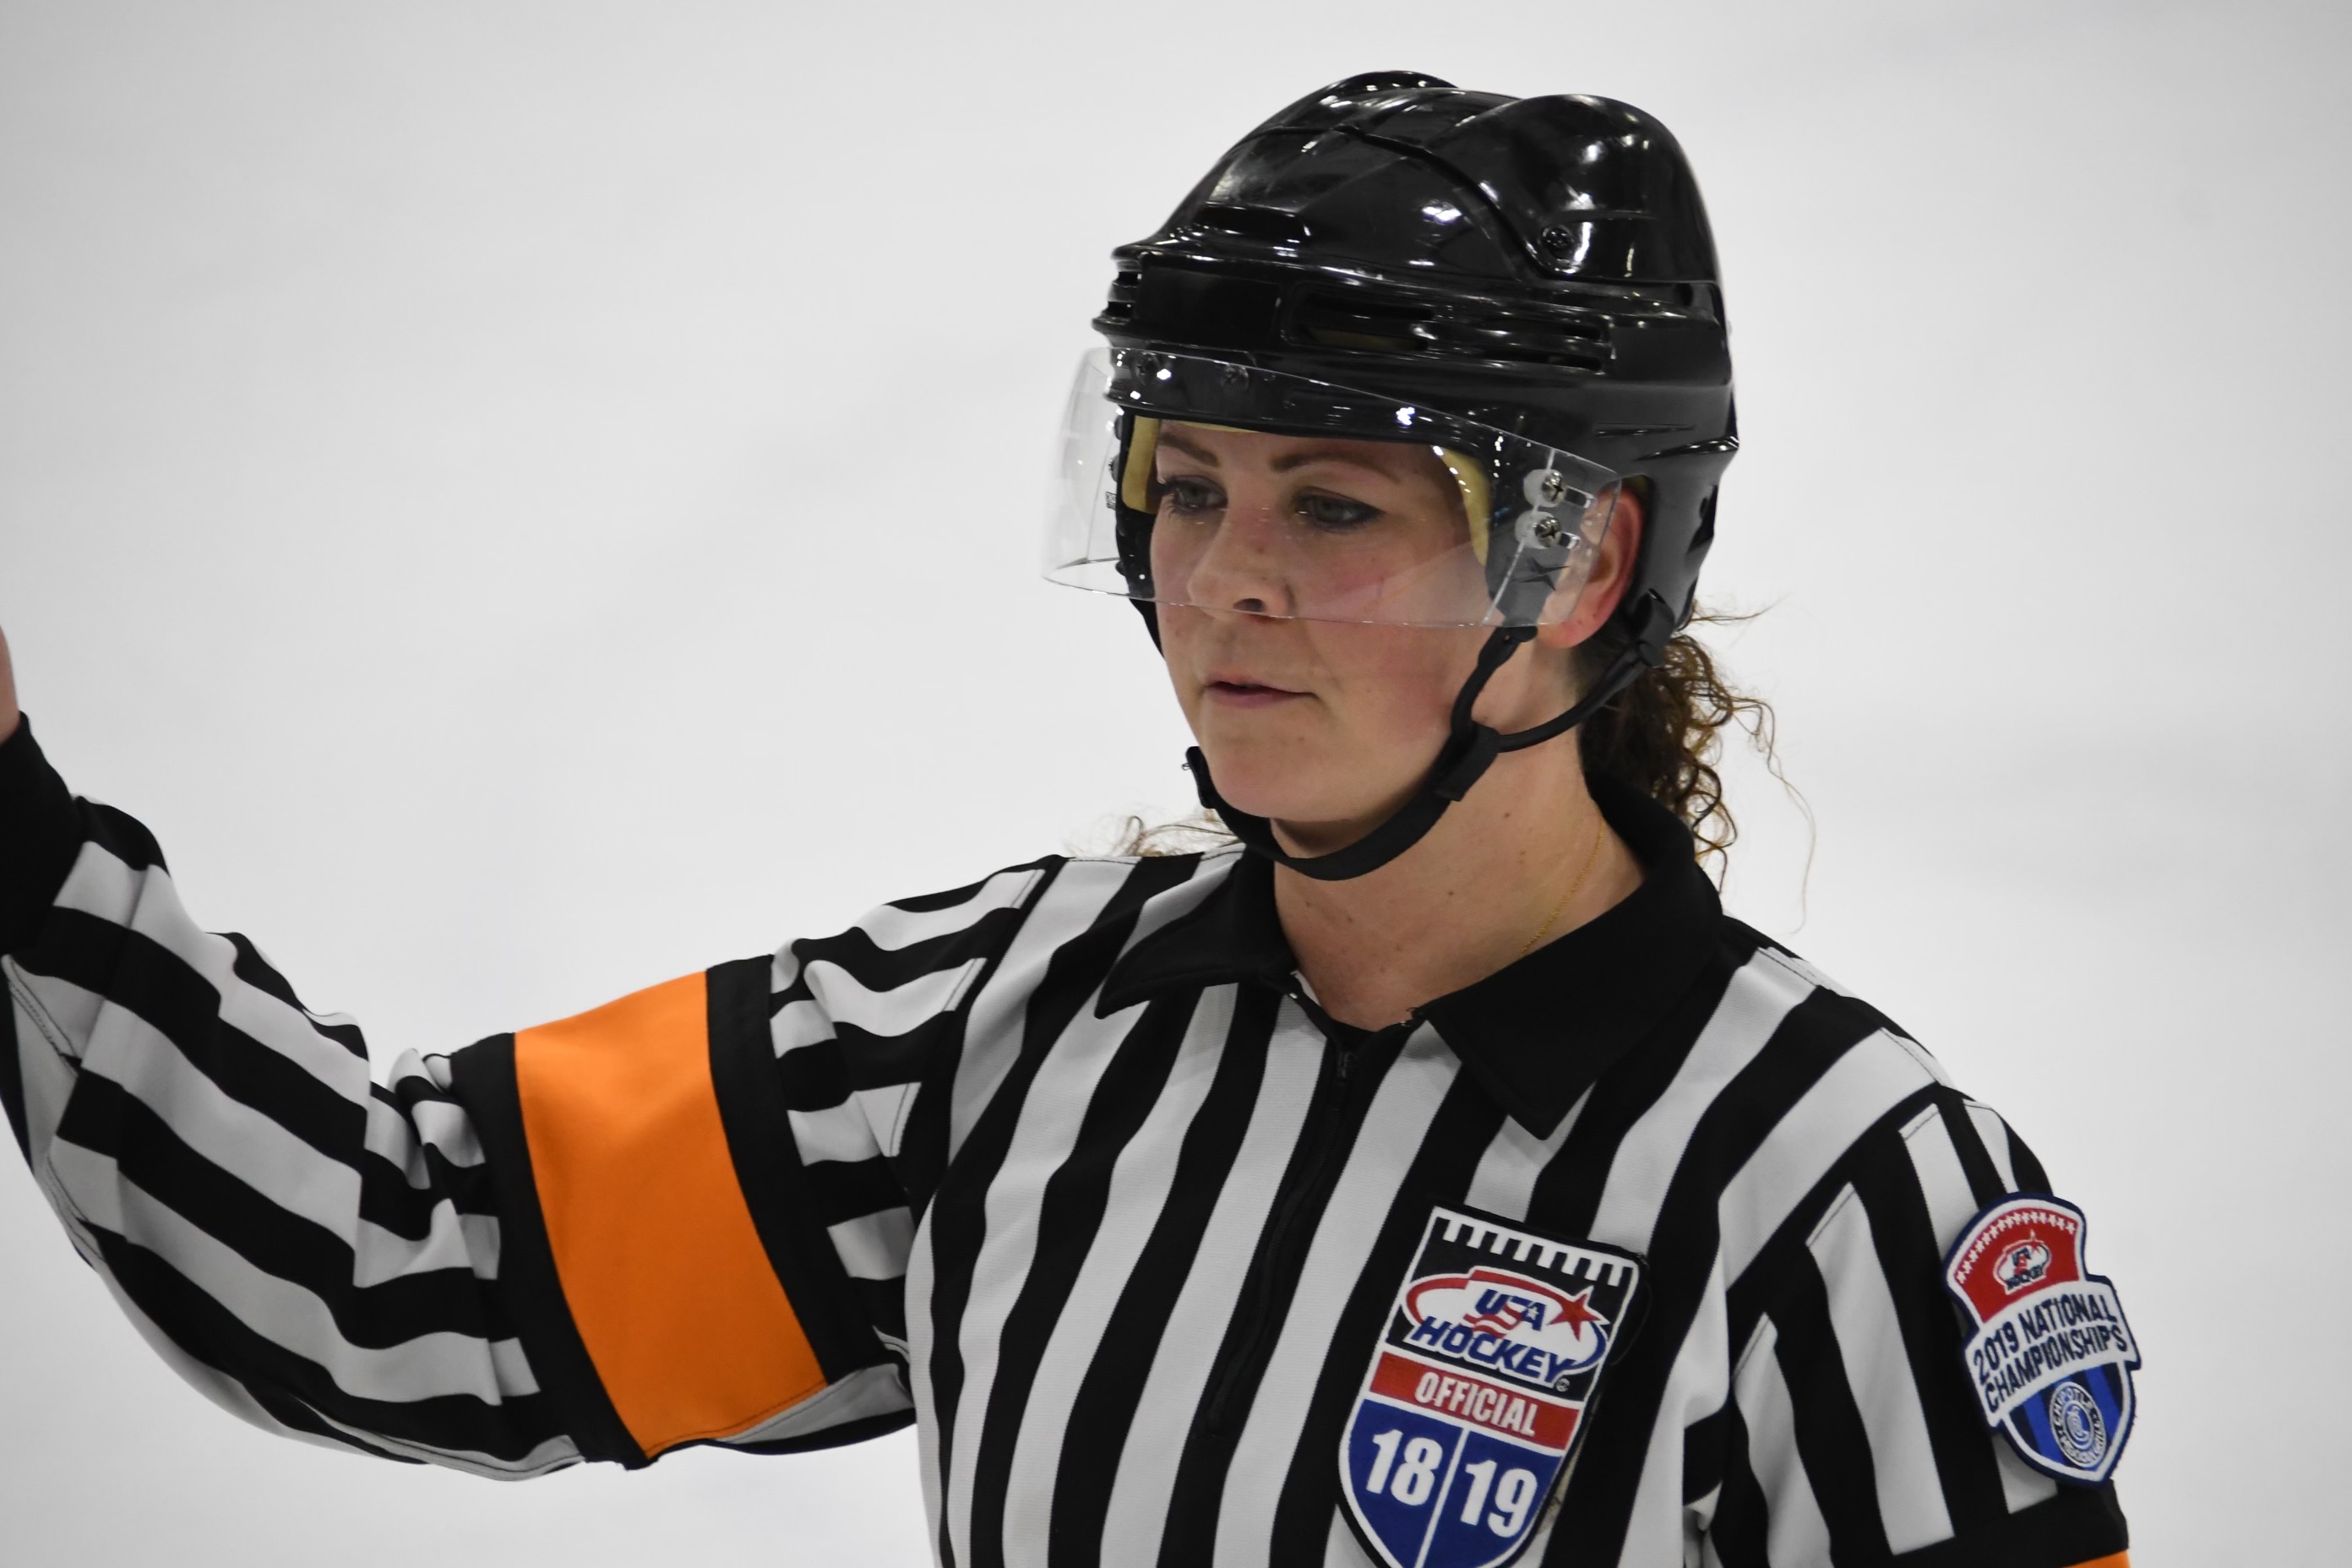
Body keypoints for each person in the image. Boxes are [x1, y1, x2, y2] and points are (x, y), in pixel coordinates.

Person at [0, 73, 2137, 1568]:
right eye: (1186, 486)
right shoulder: (1020, 1022)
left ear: (1578, 570)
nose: (1222, 582)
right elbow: (406, 1260)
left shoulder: (1848, 1187)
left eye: (1332, 505)